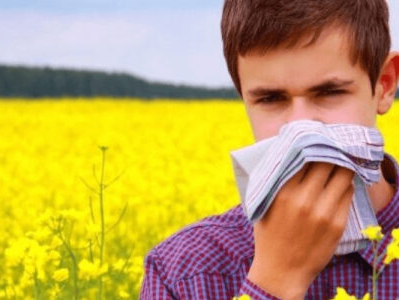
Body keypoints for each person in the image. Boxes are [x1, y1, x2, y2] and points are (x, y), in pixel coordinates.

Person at [139, 0, 399, 299]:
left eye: (329, 92)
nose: (301, 129)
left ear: (384, 85)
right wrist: (275, 281)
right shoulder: (182, 274)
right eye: (271, 99)